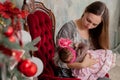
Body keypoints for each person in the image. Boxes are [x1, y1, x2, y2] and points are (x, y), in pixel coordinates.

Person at [54, 1, 112, 80]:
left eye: (94, 24)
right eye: (88, 20)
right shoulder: (68, 29)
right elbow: (57, 61)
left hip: (89, 73)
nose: (89, 26)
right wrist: (82, 65)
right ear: (85, 11)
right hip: (68, 74)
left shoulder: (95, 31)